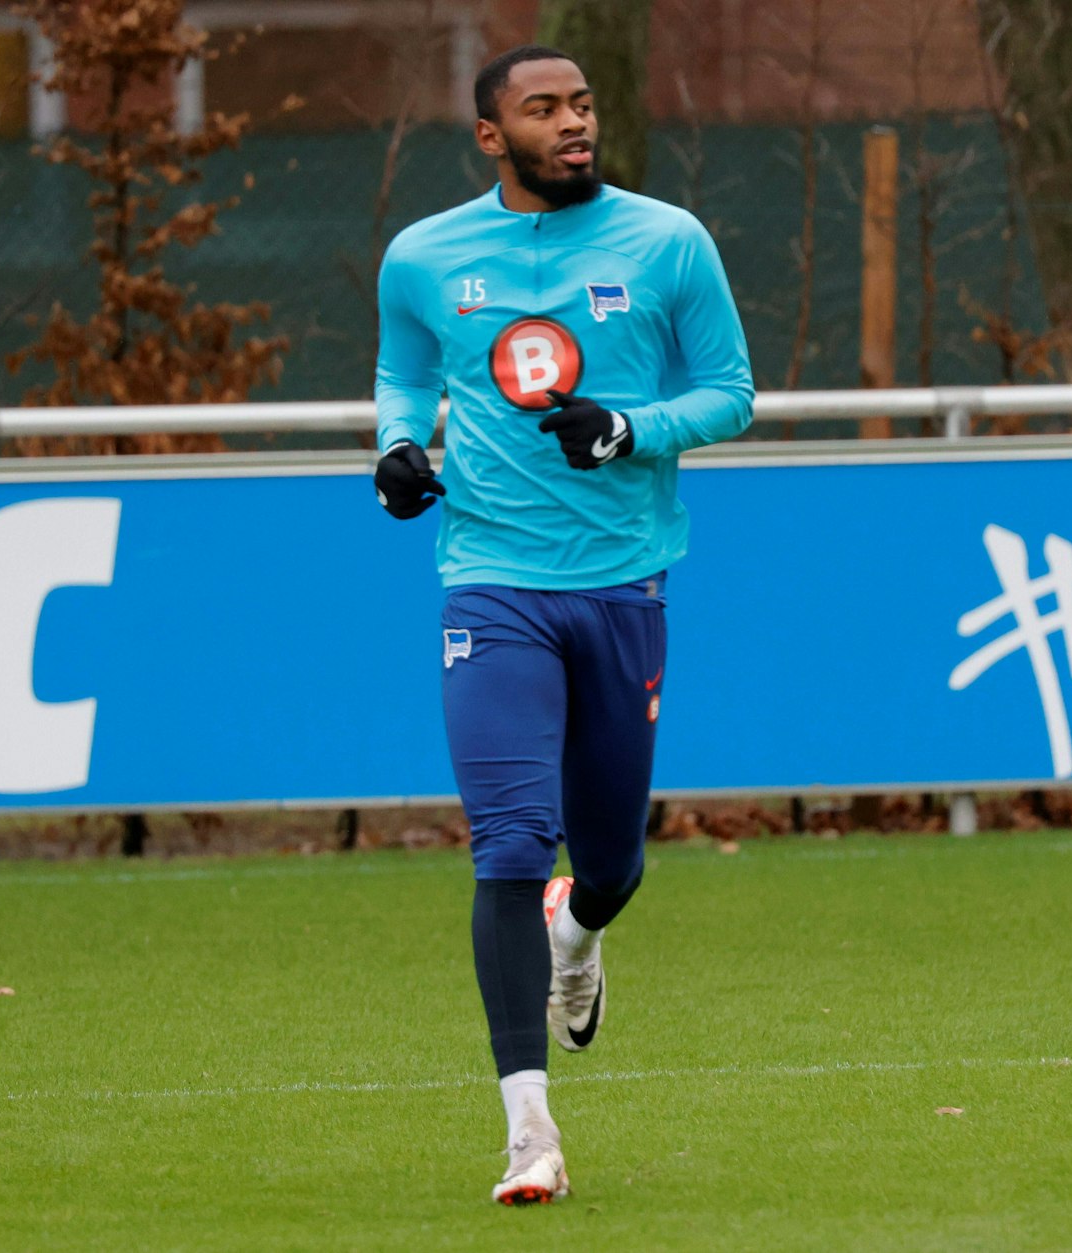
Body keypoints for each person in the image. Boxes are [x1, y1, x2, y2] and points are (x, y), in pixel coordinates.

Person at [371, 43, 753, 1205]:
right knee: (508, 840)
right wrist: (395, 448)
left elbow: (729, 392)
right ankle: (527, 1128)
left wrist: (632, 429)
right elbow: (402, 373)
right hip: (489, 583)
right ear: (492, 136)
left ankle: (577, 933)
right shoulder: (423, 255)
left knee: (611, 859)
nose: (572, 123)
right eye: (543, 109)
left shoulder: (667, 240)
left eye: (580, 104)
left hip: (623, 584)